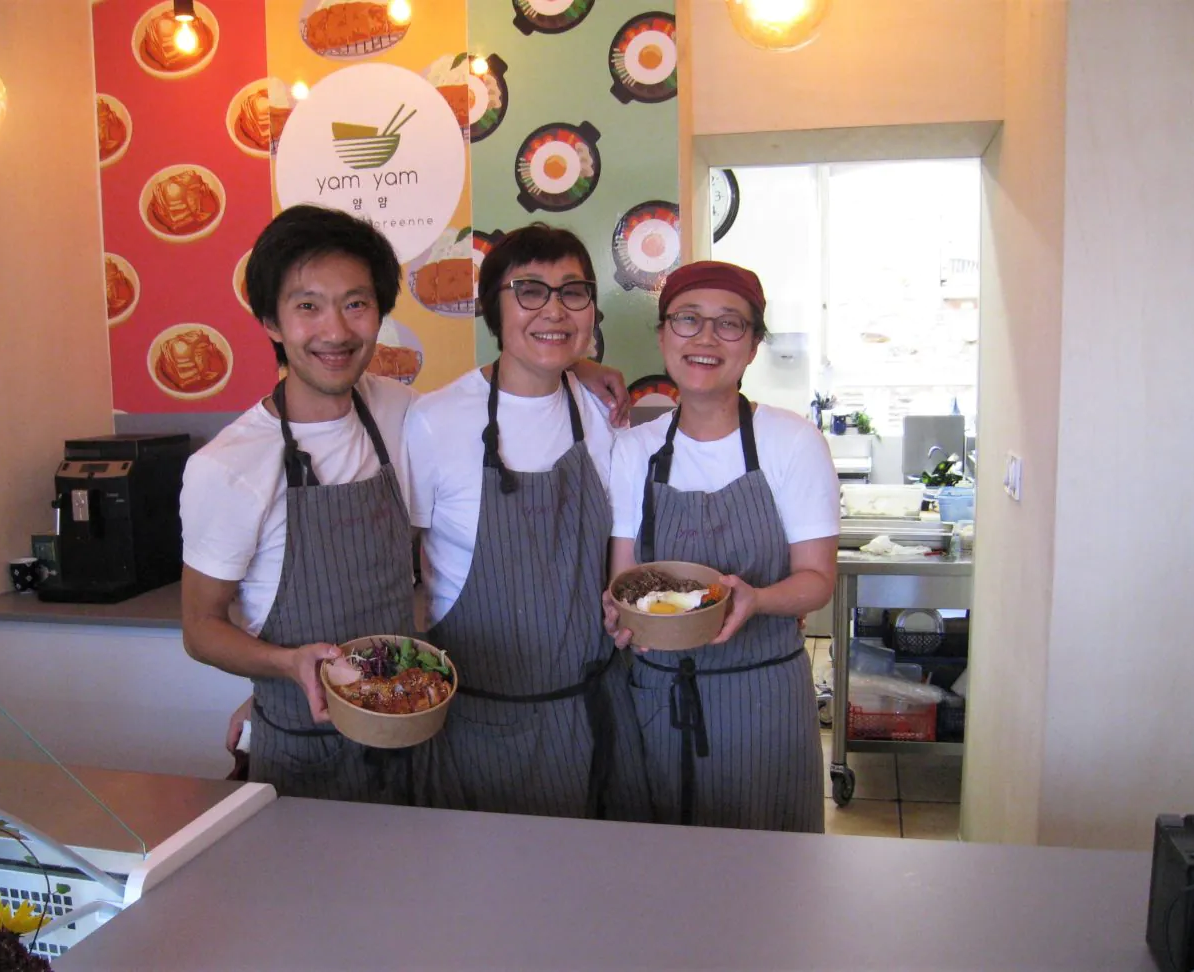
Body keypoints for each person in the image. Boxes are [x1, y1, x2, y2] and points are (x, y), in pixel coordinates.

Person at [186, 205, 631, 799]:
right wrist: (280, 669)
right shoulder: (228, 465)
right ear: (271, 320)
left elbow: (517, 384)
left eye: (356, 304)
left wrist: (575, 362)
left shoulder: (399, 413)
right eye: (308, 306)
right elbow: (201, 628)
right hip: (306, 739)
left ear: (378, 313)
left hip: (414, 726)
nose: (336, 331)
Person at [405, 224, 647, 820]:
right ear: (494, 307)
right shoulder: (434, 421)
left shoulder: (602, 412)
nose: (554, 311)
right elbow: (399, 573)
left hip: (590, 713)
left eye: (573, 292)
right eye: (530, 291)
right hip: (475, 722)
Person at [604, 260, 839, 833]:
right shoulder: (634, 449)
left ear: (753, 346)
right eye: (687, 319)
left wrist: (757, 600)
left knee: (767, 867)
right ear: (663, 335)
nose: (706, 338)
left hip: (763, 697)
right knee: (662, 865)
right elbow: (624, 578)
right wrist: (619, 615)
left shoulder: (793, 442)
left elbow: (817, 580)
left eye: (729, 323)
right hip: (659, 694)